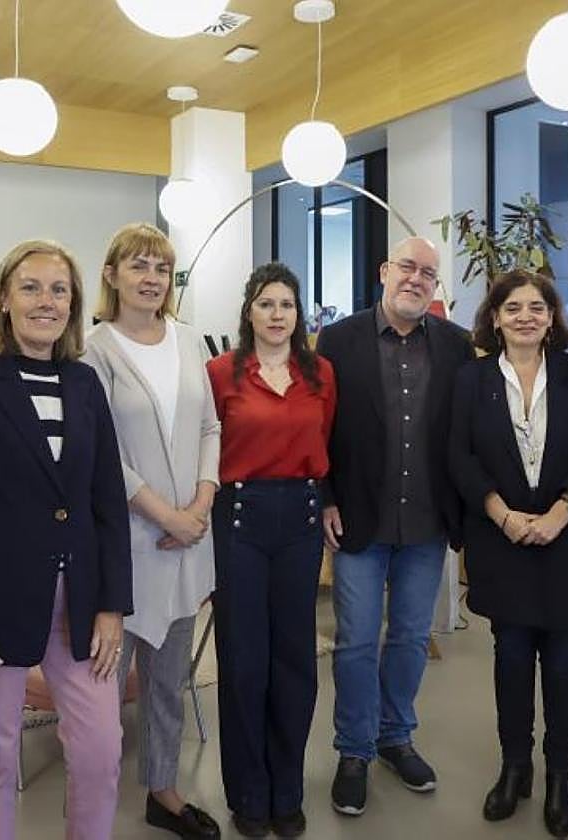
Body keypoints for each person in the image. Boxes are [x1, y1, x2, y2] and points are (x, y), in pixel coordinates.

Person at [0, 239, 132, 840]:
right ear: (4, 300)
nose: (47, 301)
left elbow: (107, 502)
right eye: (31, 287)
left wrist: (112, 605)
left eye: (59, 290)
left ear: (73, 304)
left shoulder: (84, 383)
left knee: (100, 751)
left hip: (82, 603)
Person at [448, 270, 568, 837]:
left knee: (565, 665)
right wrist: (502, 514)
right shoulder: (470, 380)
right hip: (503, 541)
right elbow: (460, 457)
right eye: (513, 307)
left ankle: (560, 774)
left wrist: (560, 513)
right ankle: (514, 766)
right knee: (512, 661)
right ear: (495, 318)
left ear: (551, 318)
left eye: (537, 307)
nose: (525, 316)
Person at [315, 236, 473, 817]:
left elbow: (465, 431)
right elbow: (320, 426)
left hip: (427, 522)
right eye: (407, 267)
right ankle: (353, 750)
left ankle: (395, 736)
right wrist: (326, 497)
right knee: (356, 641)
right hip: (360, 518)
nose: (416, 279)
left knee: (409, 637)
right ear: (384, 271)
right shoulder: (338, 340)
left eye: (428, 273)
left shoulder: (456, 345)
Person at [84, 223, 221, 840]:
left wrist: (201, 502)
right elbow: (99, 452)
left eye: (162, 268)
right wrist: (167, 516)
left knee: (168, 683)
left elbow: (210, 428)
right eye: (138, 266)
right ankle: (94, 803)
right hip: (129, 547)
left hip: (188, 542)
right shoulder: (94, 351)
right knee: (102, 693)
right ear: (111, 275)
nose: (151, 279)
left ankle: (163, 791)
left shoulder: (188, 340)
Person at [205, 263, 336, 838]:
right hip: (238, 519)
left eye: (286, 304)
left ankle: (287, 790)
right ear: (249, 312)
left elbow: (326, 442)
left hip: (300, 519)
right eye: (266, 304)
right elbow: (205, 446)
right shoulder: (221, 373)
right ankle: (249, 794)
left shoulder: (321, 373)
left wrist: (328, 502)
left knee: (295, 661)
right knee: (243, 661)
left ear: (298, 313)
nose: (277, 314)